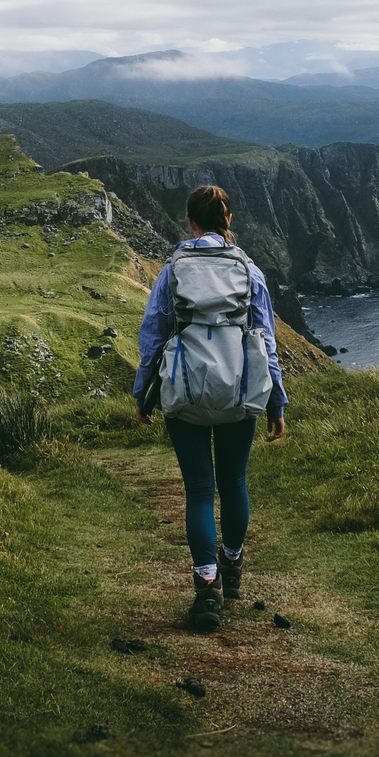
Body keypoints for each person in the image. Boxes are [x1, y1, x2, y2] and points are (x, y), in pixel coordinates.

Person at [133, 185, 287, 633]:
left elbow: (153, 336)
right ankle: (233, 565)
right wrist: (276, 399)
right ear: (228, 220)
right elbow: (267, 341)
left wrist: (144, 393)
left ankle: (207, 586)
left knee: (200, 490)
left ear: (190, 222)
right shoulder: (249, 270)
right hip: (241, 392)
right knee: (234, 481)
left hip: (184, 393)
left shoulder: (173, 271)